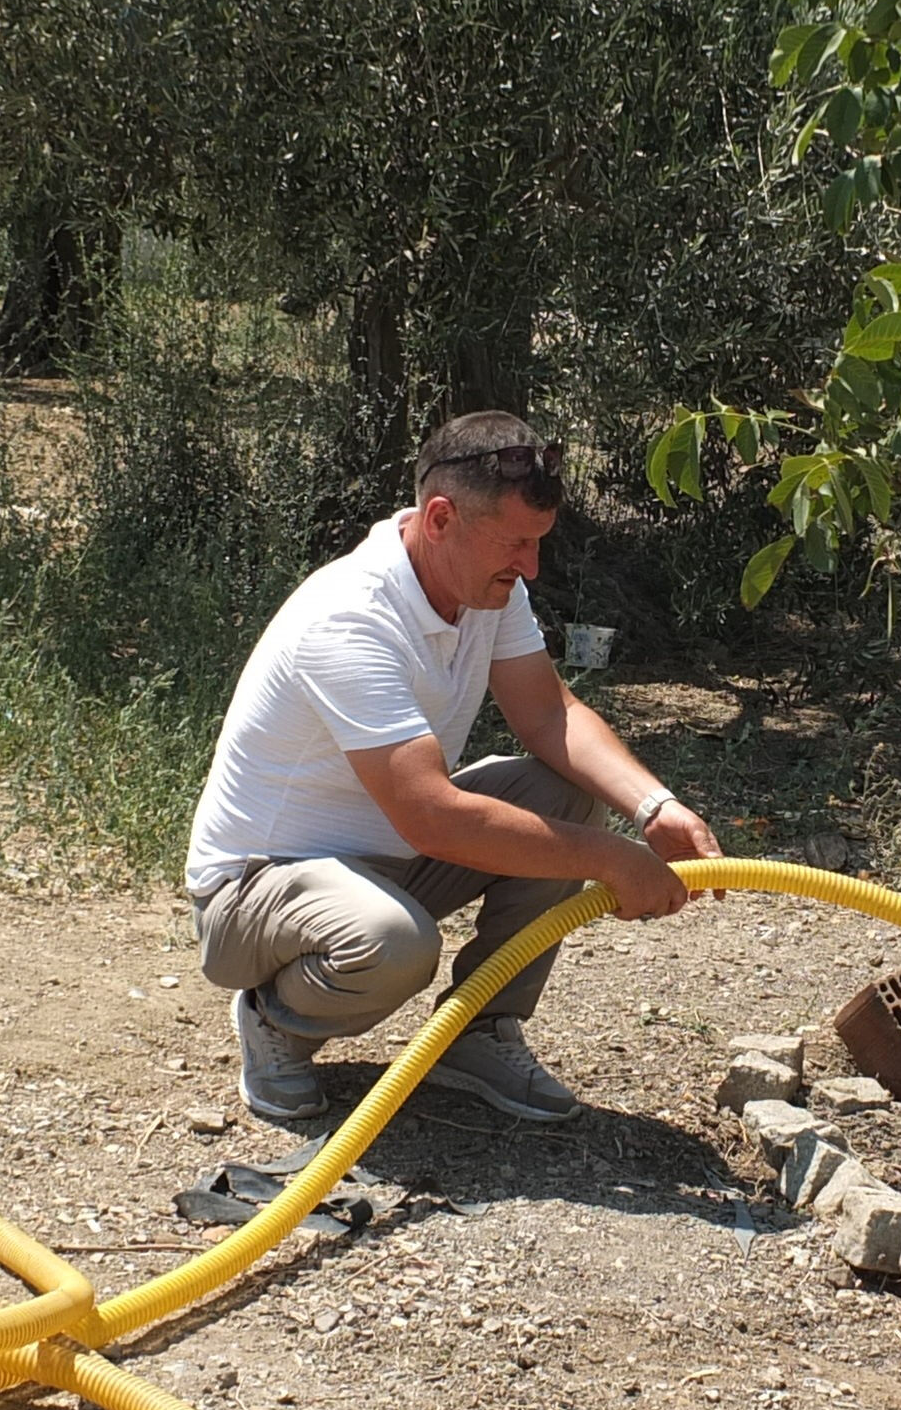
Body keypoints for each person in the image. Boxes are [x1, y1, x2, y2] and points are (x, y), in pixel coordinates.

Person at [185, 411, 723, 1125]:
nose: (530, 566)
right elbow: (432, 816)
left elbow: (547, 716)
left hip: (388, 862)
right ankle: (277, 1021)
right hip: (258, 892)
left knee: (563, 793)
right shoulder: (350, 619)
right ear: (440, 518)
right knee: (393, 944)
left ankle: (476, 1033)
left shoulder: (486, 590)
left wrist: (653, 808)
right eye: (515, 543)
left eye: (537, 544)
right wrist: (610, 860)